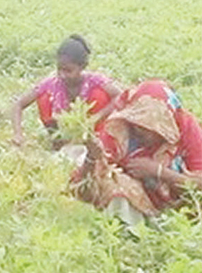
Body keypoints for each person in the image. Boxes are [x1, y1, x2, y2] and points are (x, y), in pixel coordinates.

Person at [71, 79, 202, 221]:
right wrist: (91, 158)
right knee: (114, 186)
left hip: (179, 207)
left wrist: (158, 172)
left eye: (151, 128)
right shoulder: (118, 131)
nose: (142, 133)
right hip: (136, 203)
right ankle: (127, 228)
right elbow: (82, 187)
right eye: (138, 126)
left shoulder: (186, 127)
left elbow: (199, 182)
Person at [11, 35, 122, 146]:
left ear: (82, 67)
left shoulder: (94, 81)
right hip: (63, 134)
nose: (62, 75)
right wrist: (18, 134)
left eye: (68, 71)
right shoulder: (51, 83)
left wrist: (97, 117)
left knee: (99, 94)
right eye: (59, 69)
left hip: (94, 132)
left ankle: (99, 141)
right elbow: (18, 104)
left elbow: (120, 96)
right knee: (44, 98)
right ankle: (58, 142)